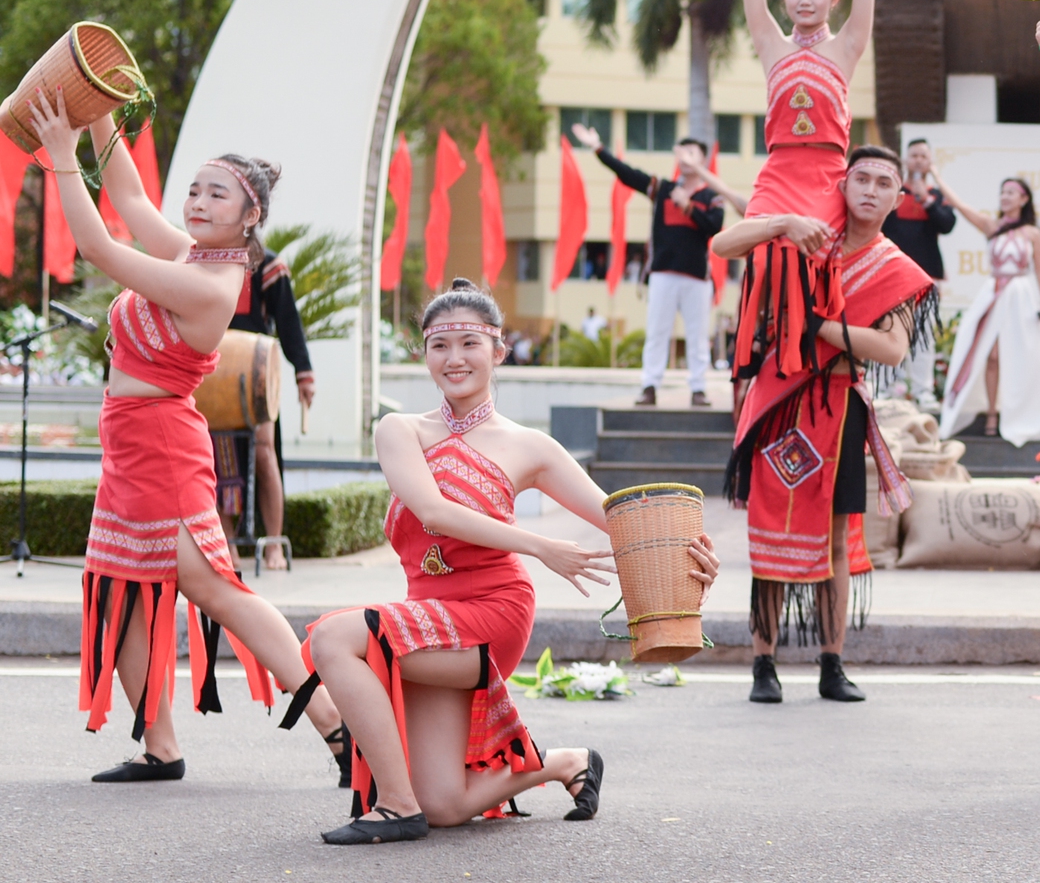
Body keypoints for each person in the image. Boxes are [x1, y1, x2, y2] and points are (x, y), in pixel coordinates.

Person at [291, 280, 719, 842]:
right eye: (439, 345)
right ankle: (565, 762)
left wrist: (690, 559)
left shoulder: (531, 447)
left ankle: (396, 807)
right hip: (426, 619)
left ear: (498, 351)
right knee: (445, 804)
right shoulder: (400, 430)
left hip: (493, 613)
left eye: (470, 343)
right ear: (424, 355)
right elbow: (431, 511)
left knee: (332, 638)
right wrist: (542, 546)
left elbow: (622, 523)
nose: (454, 358)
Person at [24, 98, 348, 784]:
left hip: (164, 446)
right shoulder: (192, 254)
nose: (198, 201)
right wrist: (98, 112)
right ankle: (160, 746)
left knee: (215, 590)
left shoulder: (213, 284)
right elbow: (131, 196)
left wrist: (59, 154)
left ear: (249, 214)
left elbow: (101, 248)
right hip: (132, 443)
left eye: (216, 193)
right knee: (123, 592)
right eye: (195, 188)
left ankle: (336, 723)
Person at [714, 144, 936, 706]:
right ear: (841, 184)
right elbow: (723, 244)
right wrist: (785, 220)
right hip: (781, 401)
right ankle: (763, 663)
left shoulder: (900, 270)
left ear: (898, 197)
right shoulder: (807, 238)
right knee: (768, 534)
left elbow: (890, 348)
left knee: (837, 539)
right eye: (860, 178)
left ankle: (831, 664)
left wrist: (819, 326)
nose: (870, 190)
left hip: (840, 408)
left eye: (884, 182)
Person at [730, 0, 876, 386]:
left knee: (806, 257)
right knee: (763, 255)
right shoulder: (772, 46)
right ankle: (758, 350)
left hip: (824, 177)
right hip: (778, 172)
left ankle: (807, 353)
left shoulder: (847, 47)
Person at [570, 125, 750, 408]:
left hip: (696, 278)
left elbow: (714, 227)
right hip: (663, 274)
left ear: (702, 160)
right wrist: (598, 149)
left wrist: (688, 207)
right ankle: (650, 386)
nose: (685, 158)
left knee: (697, 336)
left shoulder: (710, 196)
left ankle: (698, 389)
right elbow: (628, 174)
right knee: (657, 332)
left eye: (692, 153)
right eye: (682, 153)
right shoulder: (663, 188)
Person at [940, 176, 1040, 445]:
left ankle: (1015, 413)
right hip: (993, 294)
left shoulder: (1032, 233)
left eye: (1011, 193)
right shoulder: (992, 226)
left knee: (1018, 355)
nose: (1004, 197)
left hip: (1020, 297)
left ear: (1024, 199)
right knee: (990, 355)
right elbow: (961, 206)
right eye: (1002, 192)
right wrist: (936, 175)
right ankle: (992, 411)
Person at [229, 239, 317, 571]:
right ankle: (226, 545)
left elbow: (288, 322)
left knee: (264, 451)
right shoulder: (200, 260)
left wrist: (304, 373)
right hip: (213, 372)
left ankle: (275, 544)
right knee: (213, 455)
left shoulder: (269, 266)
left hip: (256, 370)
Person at [884, 138, 957, 403]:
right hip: (893, 275)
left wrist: (926, 199)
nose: (917, 160)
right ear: (905, 159)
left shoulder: (937, 195)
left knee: (924, 336)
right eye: (913, 155)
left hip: (928, 275)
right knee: (890, 332)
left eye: (923, 156)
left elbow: (947, 224)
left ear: (929, 162)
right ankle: (889, 389)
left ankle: (923, 391)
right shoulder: (892, 192)